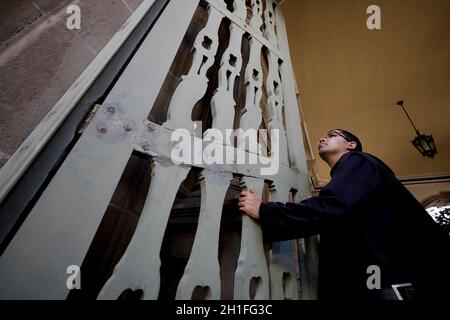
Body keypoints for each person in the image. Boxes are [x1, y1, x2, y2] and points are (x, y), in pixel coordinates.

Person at [238, 129, 450, 300]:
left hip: (388, 286)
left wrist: (267, 211)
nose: (322, 137)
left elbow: (334, 206)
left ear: (351, 145)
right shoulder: (352, 173)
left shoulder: (359, 160)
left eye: (332, 135)